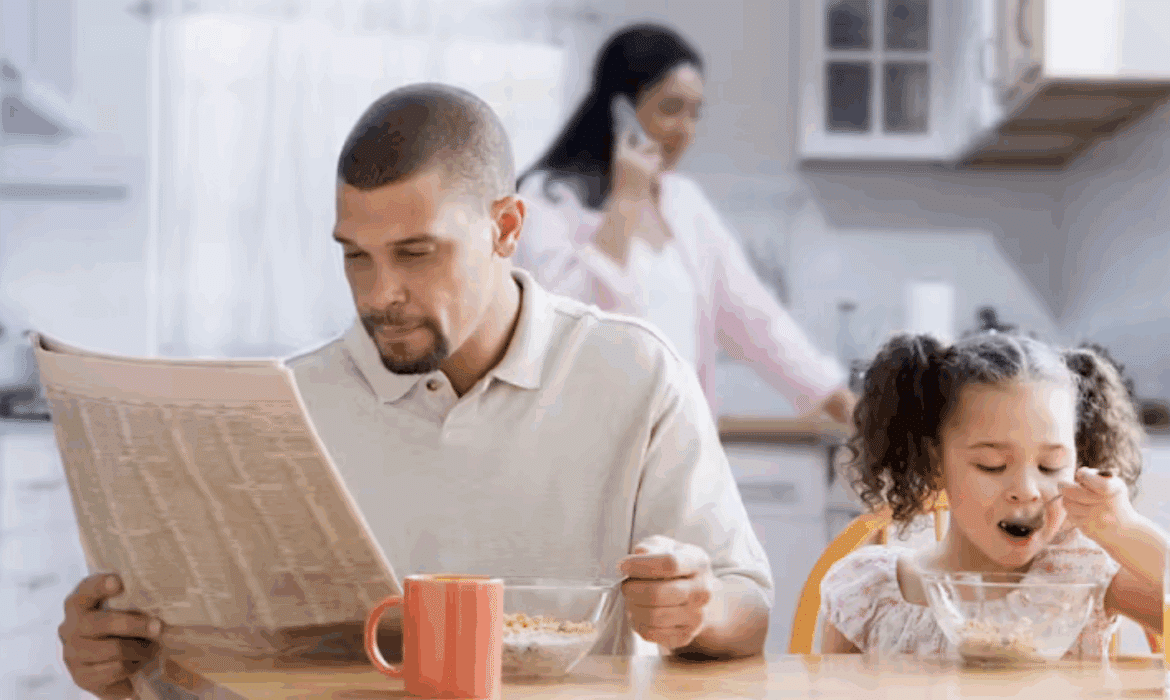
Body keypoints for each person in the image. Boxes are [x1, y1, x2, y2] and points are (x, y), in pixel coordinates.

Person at [56, 84, 774, 699]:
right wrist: (120, 664)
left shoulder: (634, 373)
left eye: (416, 253)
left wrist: (698, 607)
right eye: (355, 257)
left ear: (505, 228)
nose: (380, 295)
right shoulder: (292, 402)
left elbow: (750, 605)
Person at [514, 23, 855, 423]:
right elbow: (562, 325)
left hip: (678, 442)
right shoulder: (548, 200)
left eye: (694, 113)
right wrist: (624, 201)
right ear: (619, 111)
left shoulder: (684, 203)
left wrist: (838, 400)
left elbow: (755, 318)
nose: (685, 130)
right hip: (586, 438)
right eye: (670, 108)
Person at [819, 332, 1167, 658]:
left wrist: (1126, 532)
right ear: (935, 462)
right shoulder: (869, 592)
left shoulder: (1082, 576)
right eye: (992, 465)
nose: (1026, 491)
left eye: (1050, 466)